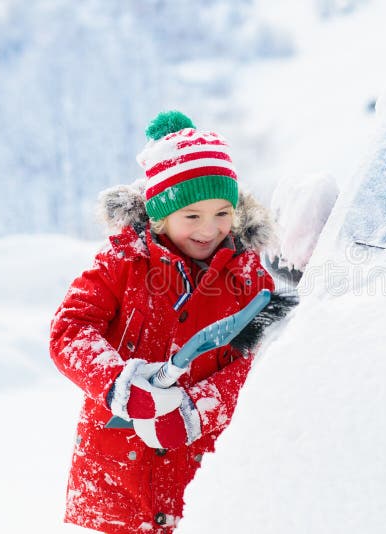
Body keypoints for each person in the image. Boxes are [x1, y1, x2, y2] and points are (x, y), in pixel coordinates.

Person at [50, 111, 281, 533]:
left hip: (203, 474)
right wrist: (120, 384)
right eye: (192, 215)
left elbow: (262, 364)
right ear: (160, 214)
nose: (209, 229)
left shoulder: (249, 279)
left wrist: (197, 410)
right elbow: (71, 329)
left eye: (222, 213)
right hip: (118, 480)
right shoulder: (123, 263)